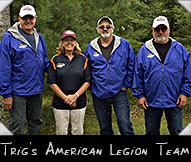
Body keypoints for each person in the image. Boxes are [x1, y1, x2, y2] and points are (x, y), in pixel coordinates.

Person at [132, 16, 191, 135]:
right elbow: (137, 75)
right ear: (153, 30)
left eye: (163, 28)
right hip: (151, 100)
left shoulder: (180, 49)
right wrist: (140, 95)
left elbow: (188, 74)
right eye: (157, 29)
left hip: (174, 100)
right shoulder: (145, 50)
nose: (160, 32)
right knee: (151, 132)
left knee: (177, 131)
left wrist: (184, 93)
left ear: (168, 29)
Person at [0, 5, 50, 135]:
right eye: (24, 18)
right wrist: (6, 94)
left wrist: (61, 71)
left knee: (36, 123)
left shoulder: (38, 36)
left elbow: (44, 60)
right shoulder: (9, 37)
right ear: (19, 18)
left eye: (31, 17)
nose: (28, 20)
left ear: (35, 18)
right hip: (18, 92)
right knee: (17, 125)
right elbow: (4, 67)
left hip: (36, 90)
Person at [84, 16, 135, 135]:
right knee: (104, 127)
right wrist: (92, 87)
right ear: (98, 29)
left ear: (113, 28)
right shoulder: (91, 47)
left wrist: (125, 85)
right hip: (99, 93)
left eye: (108, 26)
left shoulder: (123, 44)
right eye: (102, 27)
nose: (105, 29)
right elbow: (86, 69)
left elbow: (131, 65)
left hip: (119, 92)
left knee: (124, 124)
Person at [47, 30, 90, 135]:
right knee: (61, 132)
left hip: (79, 102)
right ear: (62, 43)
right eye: (66, 40)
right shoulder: (55, 59)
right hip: (60, 103)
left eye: (72, 40)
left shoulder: (83, 59)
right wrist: (66, 98)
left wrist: (75, 96)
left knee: (78, 131)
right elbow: (51, 82)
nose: (69, 43)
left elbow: (87, 81)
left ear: (75, 43)